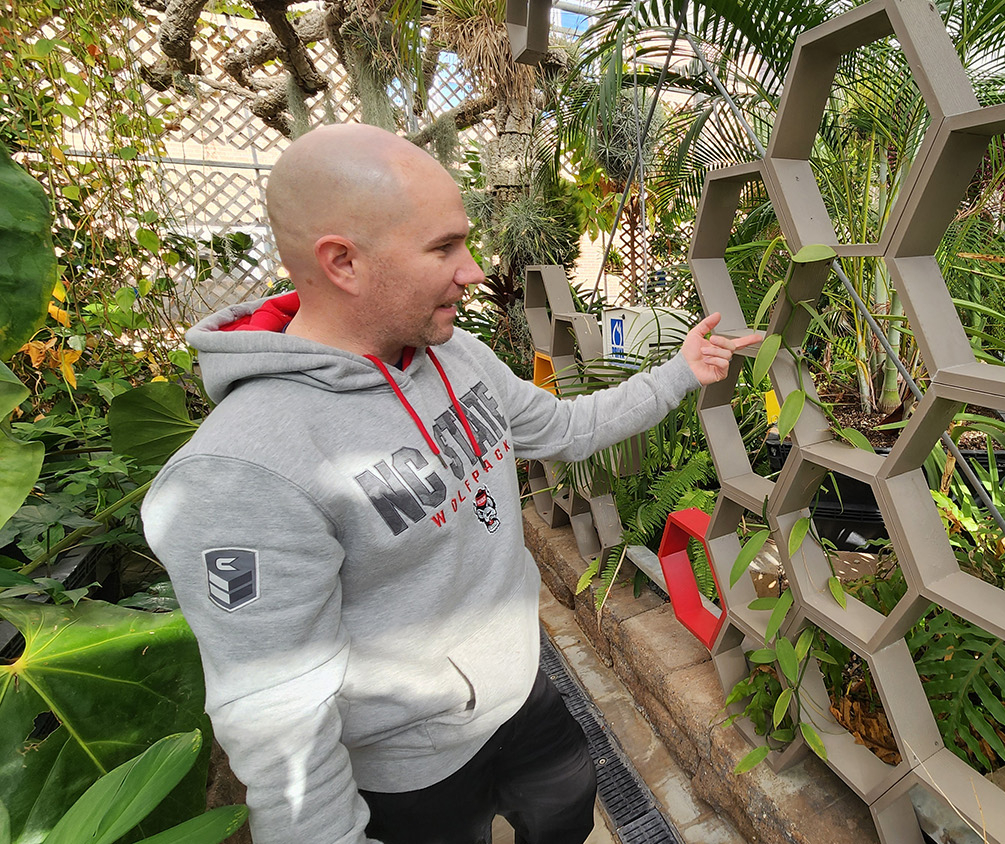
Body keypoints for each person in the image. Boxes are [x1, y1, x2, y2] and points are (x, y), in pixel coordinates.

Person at [141, 123, 757, 844]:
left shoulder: (455, 353)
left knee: (566, 814)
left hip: (523, 695)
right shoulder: (240, 472)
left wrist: (682, 372)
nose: (472, 270)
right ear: (343, 261)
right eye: (444, 248)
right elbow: (276, 712)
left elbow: (563, 430)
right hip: (407, 771)